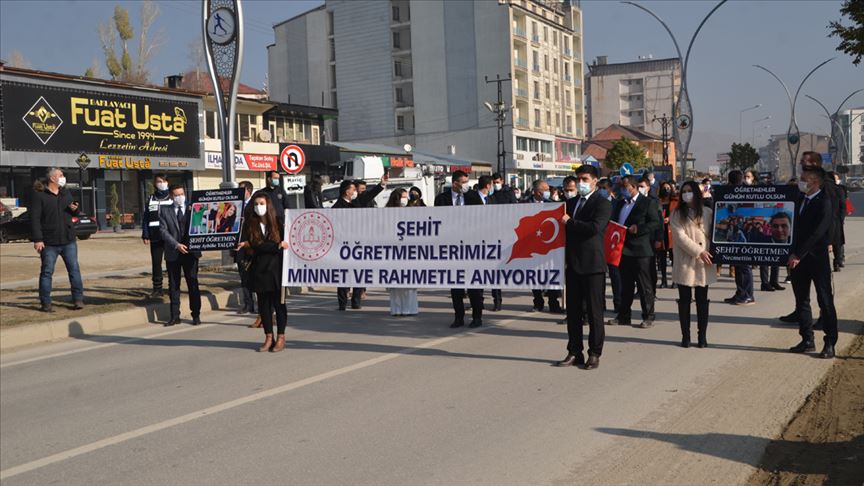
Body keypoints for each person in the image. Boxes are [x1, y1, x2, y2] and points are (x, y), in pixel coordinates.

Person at [556, 165, 611, 370]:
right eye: (578, 179)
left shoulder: (602, 203)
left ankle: (594, 353)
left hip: (593, 265)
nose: (581, 183)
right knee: (573, 311)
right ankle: (574, 351)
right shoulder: (569, 203)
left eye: (585, 179)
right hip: (573, 264)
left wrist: (570, 223)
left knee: (595, 313)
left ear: (595, 181)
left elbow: (595, 228)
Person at [787, 167, 838, 359]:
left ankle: (830, 342)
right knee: (801, 300)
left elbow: (817, 233)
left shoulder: (824, 202)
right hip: (798, 261)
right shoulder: (800, 199)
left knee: (825, 300)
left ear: (815, 182)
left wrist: (798, 254)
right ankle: (807, 338)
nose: (800, 182)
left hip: (817, 259)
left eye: (804, 179)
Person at [237, 194, 290, 352]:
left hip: (276, 270)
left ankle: (280, 337)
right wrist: (275, 246)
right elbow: (256, 245)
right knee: (264, 307)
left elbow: (258, 244)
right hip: (259, 270)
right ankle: (268, 337)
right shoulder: (250, 224)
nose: (258, 206)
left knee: (279, 305)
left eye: (261, 203)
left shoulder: (279, 224)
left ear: (268, 205)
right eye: (255, 204)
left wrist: (276, 246)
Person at [606, 175, 661, 328]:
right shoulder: (618, 204)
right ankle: (624, 315)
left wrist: (639, 229)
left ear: (635, 187)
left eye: (626, 187)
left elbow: (655, 222)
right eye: (621, 188)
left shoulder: (647, 203)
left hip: (641, 250)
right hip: (622, 249)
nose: (623, 190)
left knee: (644, 286)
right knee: (625, 285)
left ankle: (648, 316)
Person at [435, 170, 485, 328]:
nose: (466, 185)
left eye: (467, 182)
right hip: (452, 247)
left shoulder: (473, 197)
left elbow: (482, 216)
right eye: (463, 182)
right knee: (456, 286)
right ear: (455, 183)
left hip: (471, 247)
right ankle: (458, 317)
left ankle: (477, 317)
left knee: (473, 286)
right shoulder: (441, 198)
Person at [30, 167, 84, 312]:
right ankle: (46, 303)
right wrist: (37, 239)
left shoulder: (65, 193)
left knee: (74, 270)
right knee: (47, 272)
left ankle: (78, 299)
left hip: (68, 240)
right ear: (52, 178)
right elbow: (34, 219)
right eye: (60, 175)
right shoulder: (39, 195)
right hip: (49, 242)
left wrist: (75, 209)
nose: (63, 177)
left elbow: (75, 211)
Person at [671, 181, 716, 348]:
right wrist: (699, 252)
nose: (686, 194)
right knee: (684, 300)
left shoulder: (708, 212)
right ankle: (686, 336)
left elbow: (715, 233)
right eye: (684, 191)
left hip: (705, 262)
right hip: (685, 262)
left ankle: (702, 336)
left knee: (702, 300)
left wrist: (709, 252)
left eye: (690, 191)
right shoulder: (677, 214)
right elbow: (680, 238)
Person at [333, 175, 387, 310]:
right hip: (343, 246)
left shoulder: (356, 202)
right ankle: (342, 303)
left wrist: (381, 185)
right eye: (353, 189)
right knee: (343, 275)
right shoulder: (337, 207)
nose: (355, 191)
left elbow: (368, 196)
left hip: (358, 244)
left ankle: (356, 301)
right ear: (347, 191)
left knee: (358, 273)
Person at [159, 185, 202, 326]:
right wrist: (176, 244)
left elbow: (201, 226)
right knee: (173, 285)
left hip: (191, 252)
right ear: (171, 196)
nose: (180, 197)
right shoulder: (165, 210)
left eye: (182, 194)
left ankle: (196, 315)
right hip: (174, 252)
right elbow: (163, 231)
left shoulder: (194, 208)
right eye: (177, 195)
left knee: (193, 283)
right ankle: (174, 316)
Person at [524, 179, 563, 313]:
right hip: (531, 246)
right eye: (545, 190)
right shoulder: (523, 204)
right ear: (536, 192)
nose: (548, 192)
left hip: (549, 246)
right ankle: (538, 301)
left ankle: (553, 302)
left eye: (548, 190)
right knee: (534, 275)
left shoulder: (552, 204)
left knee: (551, 274)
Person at [385, 189, 419, 316]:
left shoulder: (411, 211)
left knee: (409, 282)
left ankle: (409, 309)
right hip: (393, 252)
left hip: (408, 251)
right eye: (403, 197)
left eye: (406, 197)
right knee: (395, 283)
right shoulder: (388, 213)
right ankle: (397, 309)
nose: (405, 199)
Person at [723, 169, 755, 306]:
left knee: (744, 265)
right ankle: (740, 292)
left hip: (741, 231)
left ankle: (748, 295)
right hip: (734, 230)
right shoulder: (729, 193)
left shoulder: (743, 193)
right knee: (737, 263)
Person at [141, 173, 173, 298]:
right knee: (156, 263)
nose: (161, 183)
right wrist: (145, 234)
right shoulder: (151, 198)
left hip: (170, 237)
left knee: (171, 262)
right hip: (155, 236)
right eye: (158, 181)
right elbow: (146, 218)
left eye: (163, 181)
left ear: (167, 182)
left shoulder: (172, 198)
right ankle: (157, 289)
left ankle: (173, 287)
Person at [489, 173, 517, 310]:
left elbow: (515, 210)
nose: (495, 184)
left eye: (497, 182)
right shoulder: (490, 194)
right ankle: (497, 300)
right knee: (494, 270)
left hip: (507, 234)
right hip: (492, 234)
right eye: (493, 182)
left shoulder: (509, 194)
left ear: (502, 181)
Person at [235, 181, 256, 315]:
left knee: (256, 276)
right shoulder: (236, 205)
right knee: (244, 276)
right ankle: (248, 304)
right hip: (239, 247)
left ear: (248, 191)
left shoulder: (256, 205)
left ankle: (262, 304)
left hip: (253, 247)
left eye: (241, 190)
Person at [656, 180, 677, 289]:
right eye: (664, 188)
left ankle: (675, 280)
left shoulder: (675, 201)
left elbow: (679, 215)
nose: (666, 190)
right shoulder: (658, 201)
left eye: (668, 188)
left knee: (674, 258)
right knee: (662, 258)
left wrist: (670, 219)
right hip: (661, 231)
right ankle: (663, 280)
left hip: (672, 232)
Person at [828, 171, 847, 272]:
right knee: (834, 242)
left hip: (835, 220)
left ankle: (837, 261)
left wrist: (841, 218)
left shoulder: (839, 190)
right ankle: (835, 262)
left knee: (836, 243)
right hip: (831, 219)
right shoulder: (823, 189)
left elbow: (843, 206)